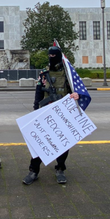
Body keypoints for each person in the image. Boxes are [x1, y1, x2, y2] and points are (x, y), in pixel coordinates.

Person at [22, 45, 80, 185]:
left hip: (63, 113)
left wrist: (76, 95)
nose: (51, 58)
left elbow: (77, 91)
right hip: (45, 112)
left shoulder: (68, 74)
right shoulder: (44, 73)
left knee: (63, 142)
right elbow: (38, 92)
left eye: (54, 55)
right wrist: (36, 109)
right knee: (39, 143)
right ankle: (33, 170)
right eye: (50, 55)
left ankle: (60, 168)